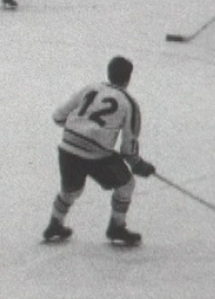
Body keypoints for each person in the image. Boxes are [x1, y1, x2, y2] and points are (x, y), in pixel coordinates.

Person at [42, 56, 156, 246]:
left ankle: (55, 222)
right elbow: (129, 145)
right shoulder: (129, 103)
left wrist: (77, 128)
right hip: (97, 155)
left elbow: (58, 116)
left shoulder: (90, 88)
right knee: (126, 185)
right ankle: (117, 227)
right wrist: (138, 164)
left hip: (68, 149)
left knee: (71, 190)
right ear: (128, 78)